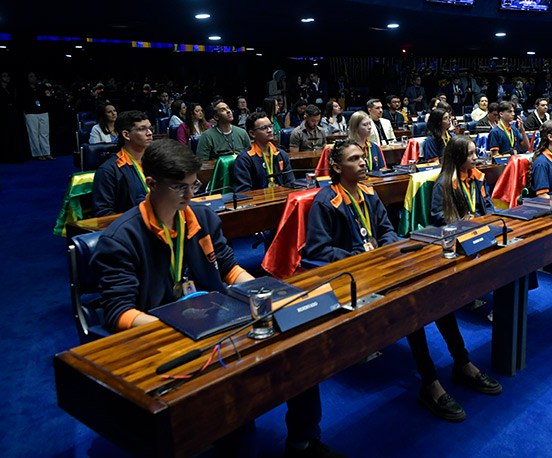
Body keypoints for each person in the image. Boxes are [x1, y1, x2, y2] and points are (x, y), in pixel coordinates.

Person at [91, 139, 338, 457]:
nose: (191, 196)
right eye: (181, 188)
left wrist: (269, 294)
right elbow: (117, 311)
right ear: (151, 184)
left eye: (195, 185)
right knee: (237, 410)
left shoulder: (202, 219)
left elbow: (230, 270)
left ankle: (304, 441)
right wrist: (179, 331)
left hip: (218, 321)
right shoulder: (121, 238)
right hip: (162, 338)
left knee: (298, 348)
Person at [305, 140, 498, 422]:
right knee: (413, 305)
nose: (363, 163)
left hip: (381, 266)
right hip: (351, 277)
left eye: (363, 157)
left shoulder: (368, 192)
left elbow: (387, 231)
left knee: (434, 294)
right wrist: (359, 254)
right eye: (354, 159)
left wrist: (388, 251)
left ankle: (462, 362)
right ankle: (430, 383)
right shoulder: (325, 201)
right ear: (336, 167)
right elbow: (317, 250)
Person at [92, 111, 153, 217]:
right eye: (142, 129)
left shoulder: (157, 161)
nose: (149, 133)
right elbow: (103, 213)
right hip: (132, 228)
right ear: (126, 135)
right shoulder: (109, 170)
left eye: (150, 128)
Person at [234, 111, 296, 192]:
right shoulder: (244, 159)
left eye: (270, 126)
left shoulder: (281, 154)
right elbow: (244, 192)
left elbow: (290, 183)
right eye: (264, 128)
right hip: (258, 202)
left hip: (282, 199)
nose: (270, 130)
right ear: (252, 133)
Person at [21, 71, 52, 160]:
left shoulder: (41, 87)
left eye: (34, 76)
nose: (33, 78)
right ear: (27, 78)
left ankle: (47, 152)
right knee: (34, 134)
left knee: (45, 133)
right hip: (31, 113)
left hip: (43, 111)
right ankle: (38, 154)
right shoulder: (25, 89)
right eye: (31, 76)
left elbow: (48, 97)